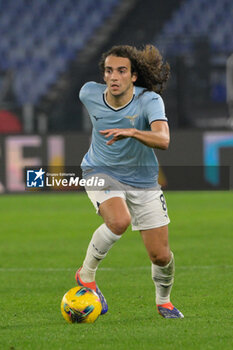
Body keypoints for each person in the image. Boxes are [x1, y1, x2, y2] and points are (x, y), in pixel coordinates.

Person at [75, 45, 184, 319]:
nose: (114, 77)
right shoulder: (88, 93)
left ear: (133, 76)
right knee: (118, 221)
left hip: (144, 181)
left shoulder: (149, 101)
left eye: (121, 71)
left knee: (161, 256)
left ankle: (164, 302)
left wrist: (133, 132)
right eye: (109, 70)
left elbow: (164, 140)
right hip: (99, 170)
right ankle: (86, 275)